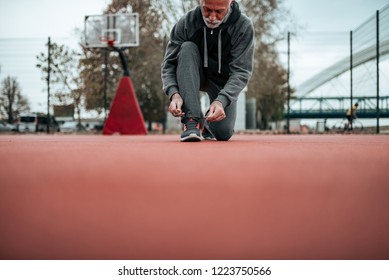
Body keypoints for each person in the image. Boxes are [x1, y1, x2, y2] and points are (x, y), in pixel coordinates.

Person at [161, 0, 254, 142]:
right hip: (192, 73)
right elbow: (169, 64)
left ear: (231, 3)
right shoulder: (187, 22)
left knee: (223, 133)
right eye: (207, 10)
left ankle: (208, 126)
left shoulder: (243, 26)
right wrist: (174, 93)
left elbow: (241, 71)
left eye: (219, 12)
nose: (211, 17)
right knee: (186, 48)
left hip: (222, 80)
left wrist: (221, 101)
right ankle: (191, 121)